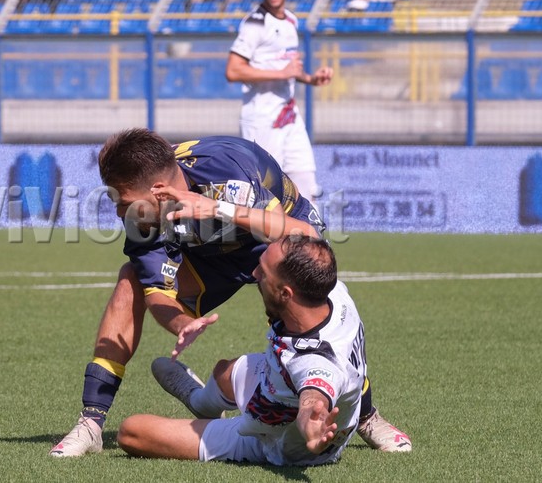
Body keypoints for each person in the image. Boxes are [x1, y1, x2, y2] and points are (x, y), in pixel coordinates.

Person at [49, 129, 409, 457]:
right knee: (131, 279)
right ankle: (91, 422)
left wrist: (217, 208)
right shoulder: (141, 219)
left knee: (309, 304)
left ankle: (365, 416)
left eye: (123, 200)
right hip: (210, 257)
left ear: (158, 190)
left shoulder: (226, 171)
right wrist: (181, 324)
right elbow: (157, 291)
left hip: (274, 237)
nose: (117, 211)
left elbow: (299, 234)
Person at [118, 235, 411, 464]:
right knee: (224, 372)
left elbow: (314, 395)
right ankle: (199, 401)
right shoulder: (331, 290)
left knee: (132, 432)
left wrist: (312, 424)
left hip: (272, 440)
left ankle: (216, 424)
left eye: (264, 271)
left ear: (286, 293)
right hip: (275, 385)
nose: (255, 272)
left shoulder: (313, 362)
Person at [226, 0, 333, 203]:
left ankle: (309, 230)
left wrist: (311, 78)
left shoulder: (291, 21)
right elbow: (233, 70)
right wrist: (282, 74)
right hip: (261, 120)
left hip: (289, 117)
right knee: (267, 196)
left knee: (306, 188)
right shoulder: (254, 24)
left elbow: (287, 66)